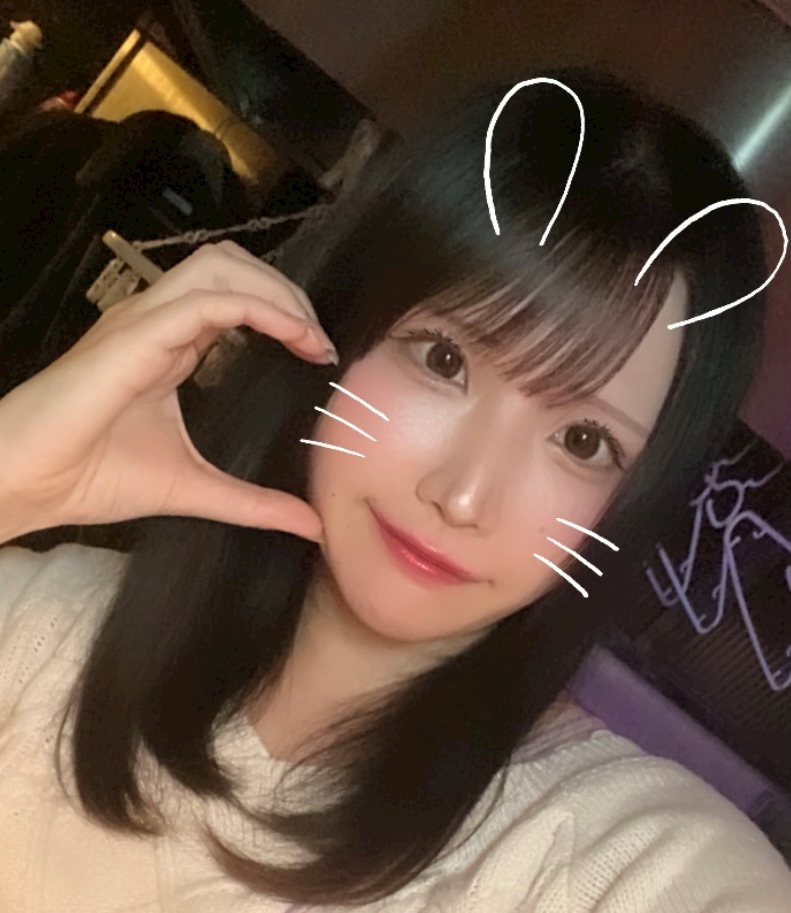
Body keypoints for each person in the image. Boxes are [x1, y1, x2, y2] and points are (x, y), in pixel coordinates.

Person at [0, 67, 789, 912]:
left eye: (583, 441)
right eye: (444, 360)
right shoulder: (41, 625)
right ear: (340, 322)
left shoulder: (618, 863)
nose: (462, 494)